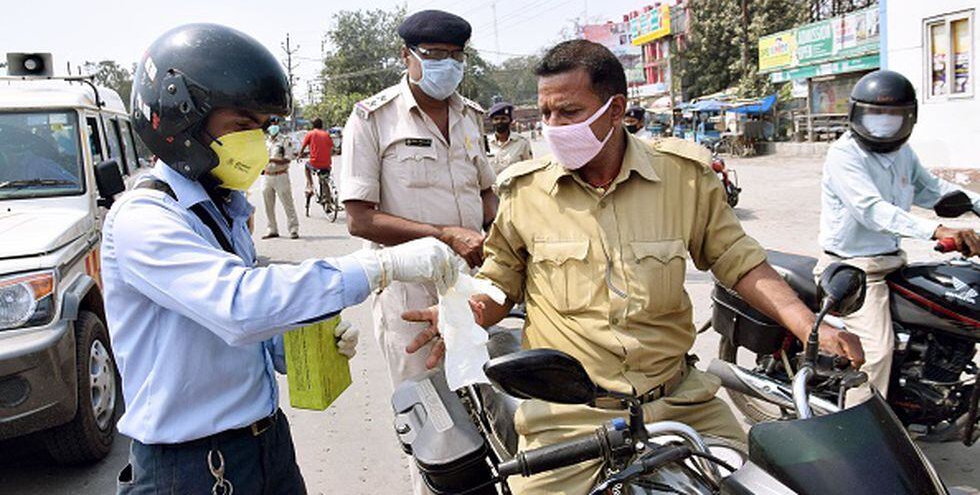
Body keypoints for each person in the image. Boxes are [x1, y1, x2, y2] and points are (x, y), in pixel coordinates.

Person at [403, 40, 864, 495]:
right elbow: (500, 281)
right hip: (568, 418)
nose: (553, 127)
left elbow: (738, 261)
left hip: (681, 403)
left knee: (764, 485)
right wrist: (465, 314)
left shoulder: (684, 178)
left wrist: (810, 326)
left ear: (616, 109)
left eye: (569, 112)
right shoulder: (524, 192)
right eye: (545, 114)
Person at [103, 23, 467, 495]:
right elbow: (239, 307)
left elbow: (235, 333)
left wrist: (292, 343)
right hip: (192, 468)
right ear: (180, 121)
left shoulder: (223, 209)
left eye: (261, 127)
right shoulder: (145, 219)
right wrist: (379, 266)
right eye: (241, 126)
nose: (256, 141)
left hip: (266, 446)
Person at [340, 9, 497, 494]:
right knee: (434, 425)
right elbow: (359, 218)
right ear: (406, 56)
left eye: (456, 56)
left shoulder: (471, 116)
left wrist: (505, 237)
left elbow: (487, 195)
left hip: (474, 290)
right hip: (410, 296)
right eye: (434, 55)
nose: (447, 65)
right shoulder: (373, 119)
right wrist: (445, 234)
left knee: (487, 407)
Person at [817, 69, 980, 406]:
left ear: (909, 117)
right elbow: (871, 209)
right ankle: (859, 428)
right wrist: (936, 230)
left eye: (893, 114)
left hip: (891, 262)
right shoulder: (844, 154)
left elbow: (933, 190)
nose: (884, 121)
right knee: (876, 351)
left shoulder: (903, 153)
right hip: (855, 269)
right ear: (856, 114)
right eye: (875, 113)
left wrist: (976, 204)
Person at [260, 120, 300, 239]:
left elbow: (287, 159)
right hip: (267, 175)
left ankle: (293, 229)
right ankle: (272, 229)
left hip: (281, 175)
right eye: (271, 124)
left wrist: (270, 160)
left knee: (288, 203)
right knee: (268, 205)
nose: (273, 126)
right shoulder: (265, 141)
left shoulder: (285, 141)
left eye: (275, 123)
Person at [485, 101, 533, 176]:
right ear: (492, 121)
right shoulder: (485, 144)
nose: (500, 122)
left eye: (503, 118)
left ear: (510, 121)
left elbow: (529, 168)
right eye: (496, 119)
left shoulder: (522, 143)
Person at [300, 118, 334, 197]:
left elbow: (303, 147)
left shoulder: (310, 134)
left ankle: (310, 185)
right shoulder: (326, 134)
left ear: (313, 125)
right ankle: (328, 196)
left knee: (306, 166)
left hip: (315, 163)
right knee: (324, 176)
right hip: (327, 164)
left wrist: (300, 155)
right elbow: (331, 147)